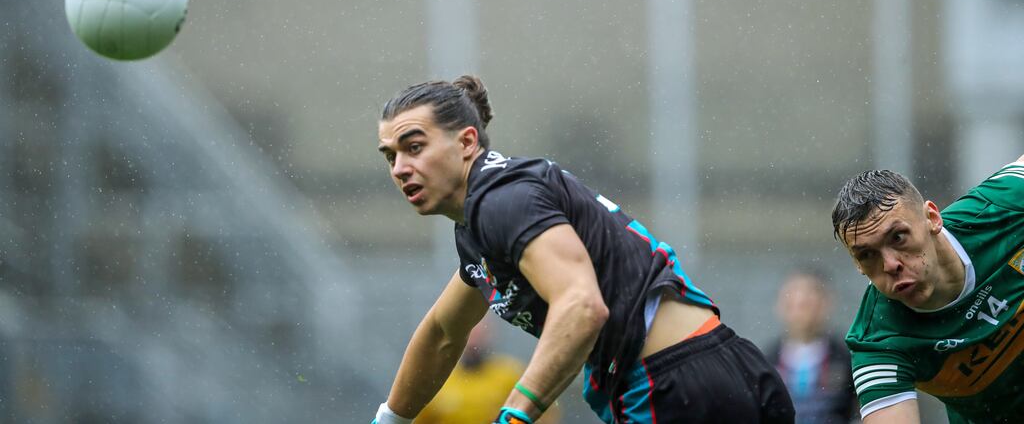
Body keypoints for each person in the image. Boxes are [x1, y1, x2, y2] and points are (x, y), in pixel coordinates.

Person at [371, 75, 794, 424]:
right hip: (717, 370)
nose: (400, 168)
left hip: (672, 388)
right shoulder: (484, 219)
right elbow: (444, 333)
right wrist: (390, 419)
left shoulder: (500, 200)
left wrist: (514, 415)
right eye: (390, 156)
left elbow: (581, 306)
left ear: (466, 142)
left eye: (414, 146)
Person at [832, 158, 1024, 424]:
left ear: (932, 218)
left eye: (898, 237)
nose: (890, 264)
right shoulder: (879, 341)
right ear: (857, 265)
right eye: (867, 254)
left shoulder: (1004, 204)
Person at [416, 318, 560, 424]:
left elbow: (544, 416)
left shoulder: (509, 374)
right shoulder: (440, 380)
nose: (474, 341)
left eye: (479, 334)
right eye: (469, 334)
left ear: (489, 335)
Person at [765, 268, 857, 424]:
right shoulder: (765, 362)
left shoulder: (848, 359)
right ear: (779, 305)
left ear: (827, 303)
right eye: (793, 295)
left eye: (809, 296)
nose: (800, 301)